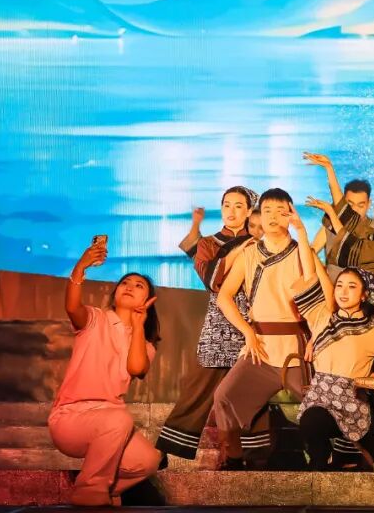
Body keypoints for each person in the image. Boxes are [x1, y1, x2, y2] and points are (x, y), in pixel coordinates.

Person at [157, 187, 272, 464]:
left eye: (238, 206)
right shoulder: (208, 244)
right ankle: (164, 450)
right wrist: (238, 251)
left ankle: (254, 456)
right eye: (226, 205)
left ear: (248, 211)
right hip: (220, 323)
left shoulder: (260, 245)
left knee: (251, 390)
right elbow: (211, 280)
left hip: (252, 323)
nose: (231, 211)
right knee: (199, 389)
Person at [48, 241, 162, 506]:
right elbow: (72, 307)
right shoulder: (95, 319)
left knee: (148, 460)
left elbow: (136, 368)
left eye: (139, 286)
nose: (130, 286)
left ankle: (104, 491)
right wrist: (81, 266)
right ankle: (91, 489)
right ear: (115, 293)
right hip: (71, 418)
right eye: (125, 283)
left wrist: (138, 325)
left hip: (111, 423)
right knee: (118, 419)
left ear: (147, 301)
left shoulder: (145, 345)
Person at [211, 188, 317, 470]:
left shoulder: (302, 252)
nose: (272, 216)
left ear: (291, 214)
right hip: (260, 347)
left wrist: (302, 233)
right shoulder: (249, 254)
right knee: (225, 396)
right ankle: (233, 459)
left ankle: (335, 459)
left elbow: (314, 287)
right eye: (267, 210)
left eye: (280, 211)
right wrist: (247, 332)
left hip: (296, 348)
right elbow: (224, 296)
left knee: (319, 405)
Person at [294, 266, 374, 471]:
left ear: (364, 295)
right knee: (311, 420)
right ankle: (320, 469)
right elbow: (311, 273)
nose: (343, 291)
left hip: (354, 407)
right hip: (320, 401)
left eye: (352, 287)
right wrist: (307, 245)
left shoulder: (370, 331)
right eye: (339, 285)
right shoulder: (322, 316)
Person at [304, 151, 374, 303]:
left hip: (369, 308)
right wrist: (329, 168)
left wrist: (331, 212)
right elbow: (346, 214)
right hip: (348, 301)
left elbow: (355, 249)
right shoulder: (373, 232)